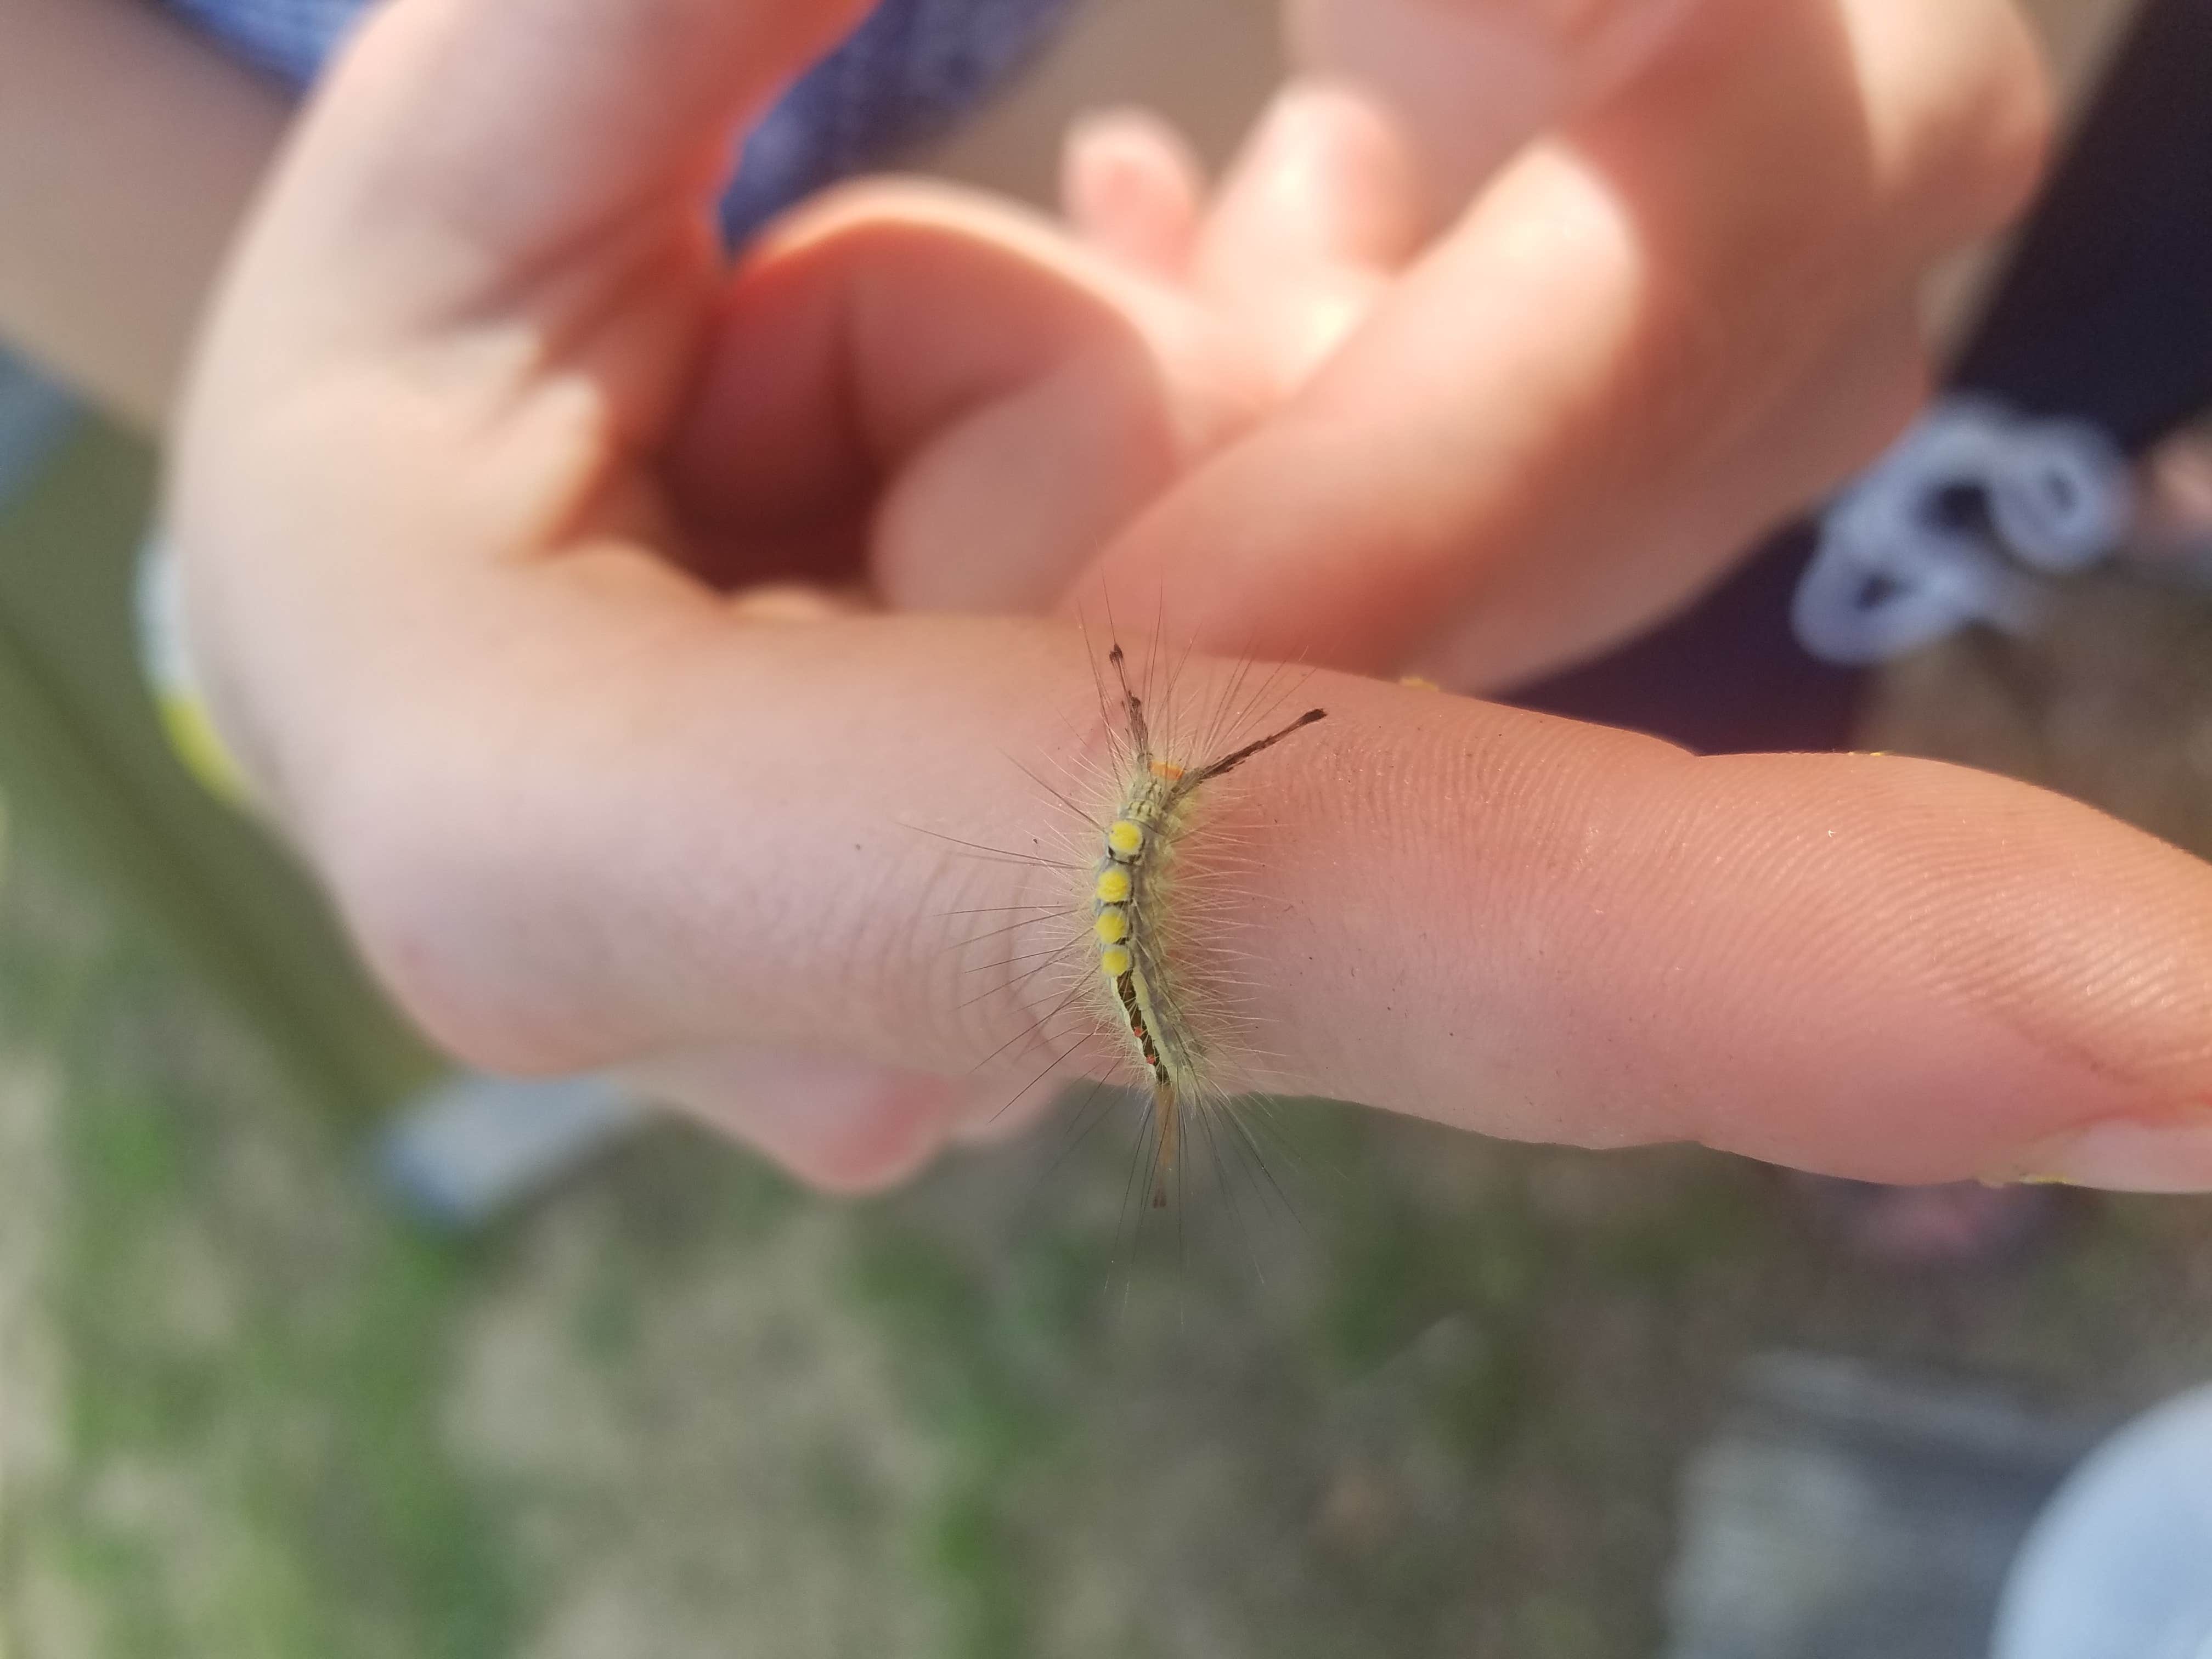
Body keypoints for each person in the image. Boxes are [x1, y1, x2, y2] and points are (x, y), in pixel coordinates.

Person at [15, 0, 2212, 1199]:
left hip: (1786, 159)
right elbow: (266, 377)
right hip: (1263, 471)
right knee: (1697, 807)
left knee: (2023, 380)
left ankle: (2094, 455)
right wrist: (329, 623)